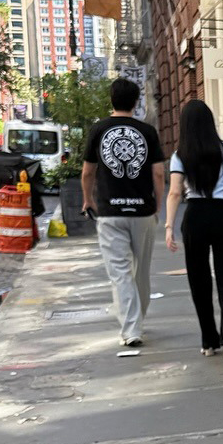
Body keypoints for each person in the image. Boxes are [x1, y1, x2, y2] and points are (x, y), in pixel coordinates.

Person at [164, 100, 223, 359]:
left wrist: (169, 227)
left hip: (195, 216)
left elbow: (174, 193)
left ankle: (209, 340)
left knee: (199, 279)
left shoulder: (180, 155)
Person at [81, 78, 165, 347]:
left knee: (120, 273)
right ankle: (138, 320)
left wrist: (87, 200)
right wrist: (158, 204)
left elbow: (88, 172)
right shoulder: (147, 131)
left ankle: (131, 329)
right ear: (136, 102)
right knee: (141, 271)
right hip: (143, 212)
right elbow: (159, 173)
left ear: (111, 99)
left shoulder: (99, 129)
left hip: (110, 212)